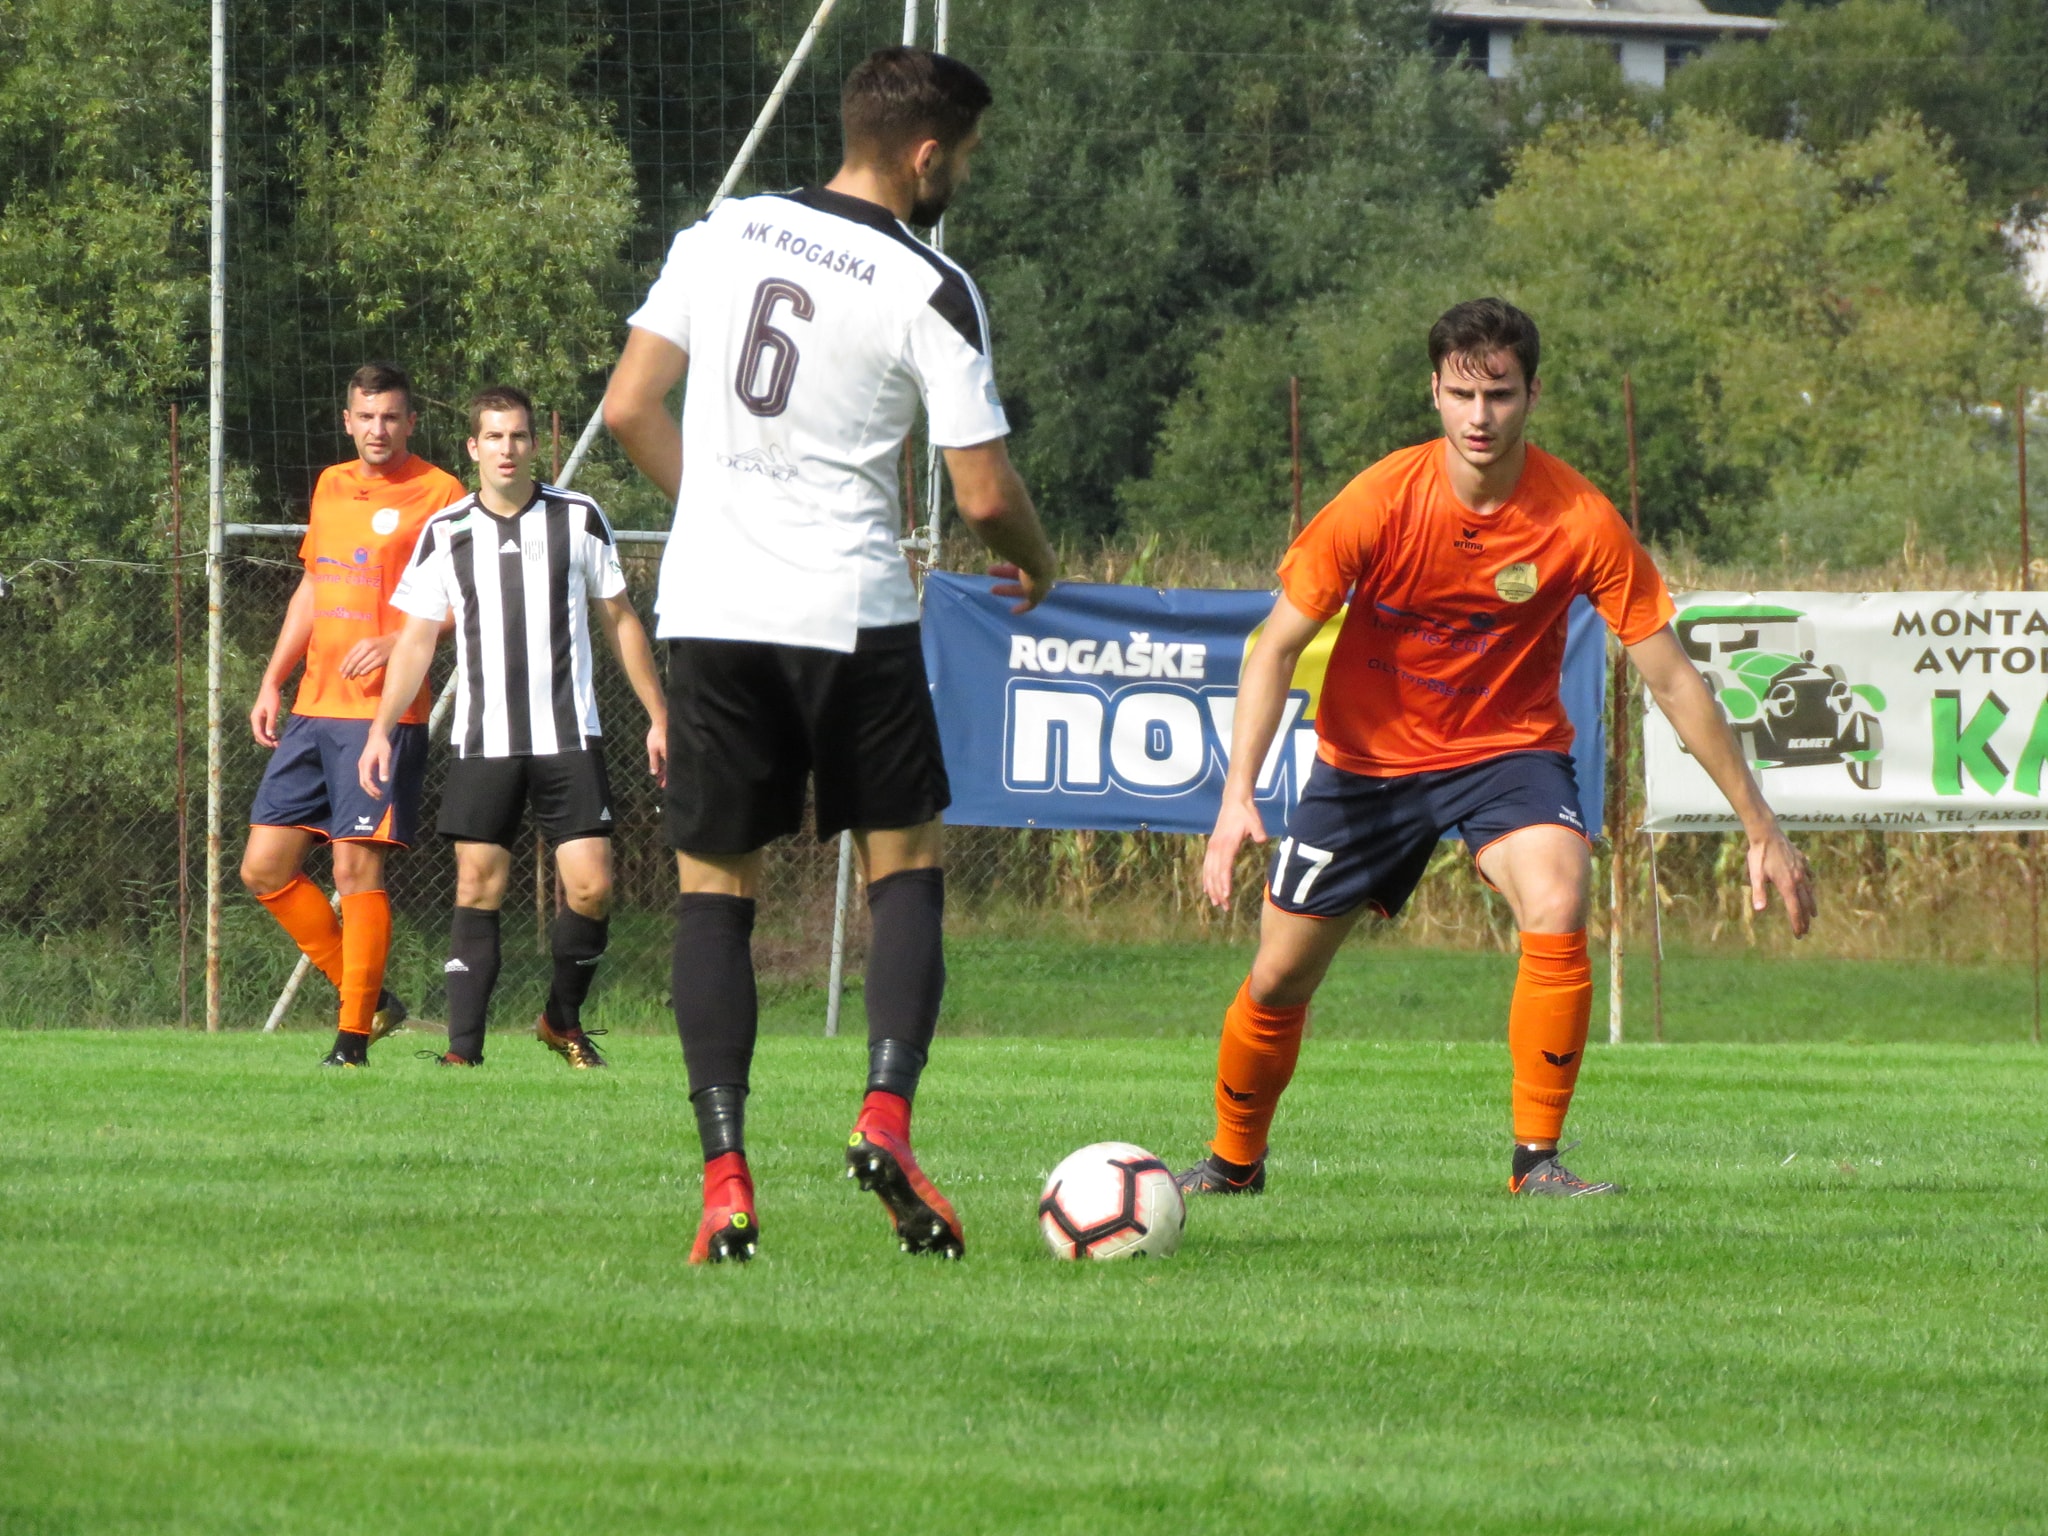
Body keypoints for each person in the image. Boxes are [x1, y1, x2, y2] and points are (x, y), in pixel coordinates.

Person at [1182, 298, 1817, 1199]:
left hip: (1507, 754)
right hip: (1367, 767)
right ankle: (1233, 1164)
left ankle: (1537, 1163)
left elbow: (1675, 680)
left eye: (1501, 394)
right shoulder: (1379, 501)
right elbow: (1275, 647)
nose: (1480, 416)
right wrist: (1237, 795)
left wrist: (1760, 824)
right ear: (1434, 393)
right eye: (1462, 394)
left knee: (1558, 894)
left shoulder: (1578, 518)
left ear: (1532, 395)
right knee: (1280, 977)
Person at [603, 45, 1058, 1264]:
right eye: (965, 157)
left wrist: (722, 515)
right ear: (926, 154)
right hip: (847, 612)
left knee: (714, 895)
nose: (963, 175)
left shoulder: (722, 232)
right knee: (904, 865)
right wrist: (1040, 563)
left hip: (709, 606)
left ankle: (724, 1183)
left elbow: (631, 406)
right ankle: (885, 1115)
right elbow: (982, 493)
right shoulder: (928, 283)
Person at [358, 386, 667, 1070]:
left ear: (533, 445)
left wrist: (659, 716)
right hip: (483, 740)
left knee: (592, 886)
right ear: (474, 448)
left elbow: (619, 620)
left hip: (568, 735)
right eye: (494, 437)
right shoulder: (446, 530)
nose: (507, 449)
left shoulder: (578, 517)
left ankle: (561, 1020)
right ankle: (462, 1054)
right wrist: (380, 730)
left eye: (518, 436)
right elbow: (414, 642)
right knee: (477, 886)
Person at [241, 363, 466, 1067]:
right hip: (313, 707)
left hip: (382, 717)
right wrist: (272, 680)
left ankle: (351, 1044)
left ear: (411, 422)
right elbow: (313, 586)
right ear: (348, 421)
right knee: (264, 868)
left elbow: (466, 601)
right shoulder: (332, 485)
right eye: (366, 417)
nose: (378, 429)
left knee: (353, 872)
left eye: (391, 417)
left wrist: (399, 641)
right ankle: (370, 1001)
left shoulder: (442, 493)